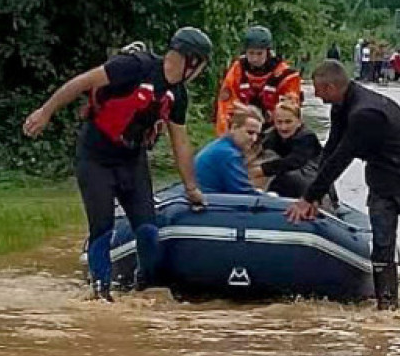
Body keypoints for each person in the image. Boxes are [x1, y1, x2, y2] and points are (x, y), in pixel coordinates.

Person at [23, 27, 212, 301]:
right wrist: (46, 112)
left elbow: (180, 143)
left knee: (148, 231)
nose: (200, 72)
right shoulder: (134, 66)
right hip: (95, 158)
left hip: (131, 161)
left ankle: (143, 284)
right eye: (202, 65)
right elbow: (82, 82)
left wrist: (191, 188)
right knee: (103, 228)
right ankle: (101, 291)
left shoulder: (178, 96)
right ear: (191, 60)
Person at [285, 60, 400, 310]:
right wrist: (319, 195)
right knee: (382, 245)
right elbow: (331, 150)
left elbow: (343, 158)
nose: (315, 95)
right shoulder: (340, 107)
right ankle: (387, 310)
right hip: (382, 180)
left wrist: (308, 197)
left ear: (330, 86)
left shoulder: (365, 113)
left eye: (317, 89)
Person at [215, 26, 302, 135]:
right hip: (244, 127)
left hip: (275, 129)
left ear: (268, 52)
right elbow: (225, 107)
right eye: (251, 53)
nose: (255, 59)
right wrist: (225, 137)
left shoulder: (286, 75)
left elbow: (290, 111)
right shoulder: (237, 70)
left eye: (259, 53)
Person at [253, 98, 336, 205]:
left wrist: (260, 170)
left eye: (288, 122)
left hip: (314, 182)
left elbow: (294, 161)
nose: (283, 127)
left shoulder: (307, 137)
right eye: (279, 122)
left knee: (288, 177)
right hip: (289, 182)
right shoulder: (271, 136)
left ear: (299, 121)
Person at [195, 105, 264, 195]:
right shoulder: (228, 154)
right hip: (209, 203)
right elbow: (244, 194)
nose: (254, 139)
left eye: (257, 134)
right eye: (250, 133)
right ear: (234, 128)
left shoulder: (220, 146)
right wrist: (270, 198)